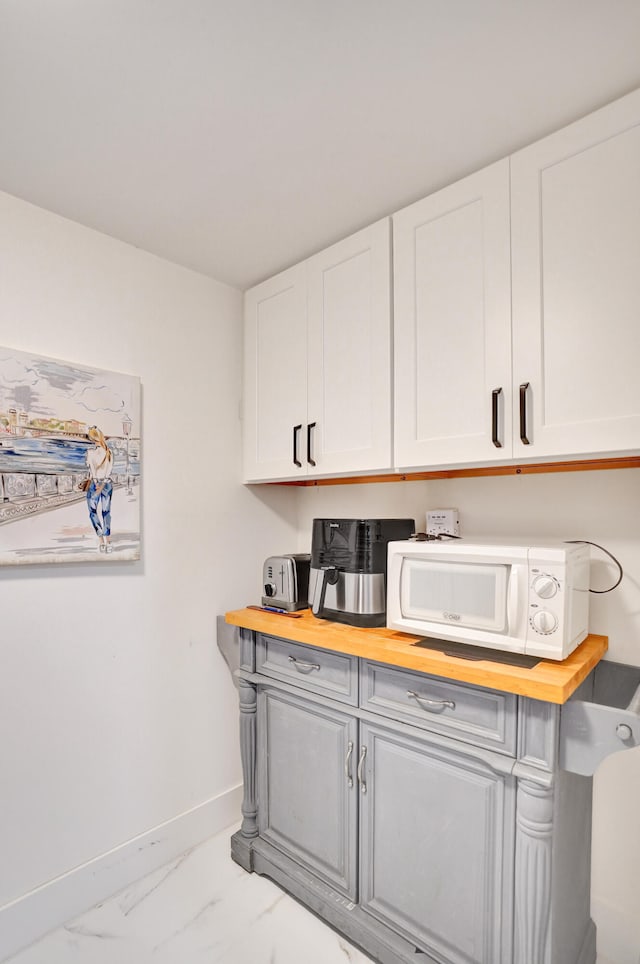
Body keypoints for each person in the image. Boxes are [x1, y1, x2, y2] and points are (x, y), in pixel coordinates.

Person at [85, 426, 114, 553]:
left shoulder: (90, 453)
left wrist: (97, 484)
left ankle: (101, 540)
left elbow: (92, 471)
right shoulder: (109, 452)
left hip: (95, 485)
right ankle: (109, 541)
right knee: (106, 512)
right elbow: (108, 472)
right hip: (107, 484)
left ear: (92, 438)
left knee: (93, 512)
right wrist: (102, 484)